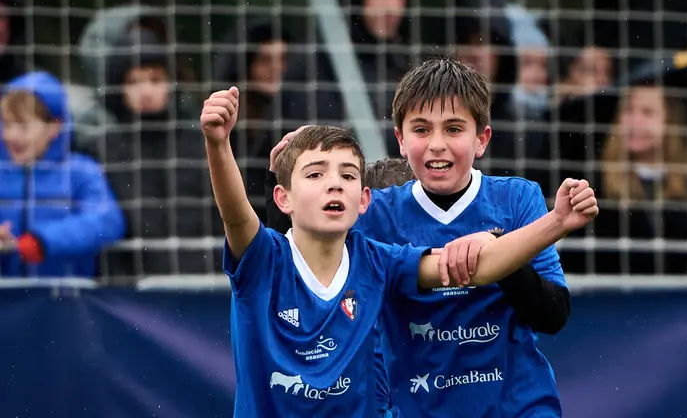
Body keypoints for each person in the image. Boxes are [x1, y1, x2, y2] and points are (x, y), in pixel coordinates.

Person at [199, 88, 598, 417]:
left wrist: (553, 222)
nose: (334, 185)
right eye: (316, 174)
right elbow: (238, 218)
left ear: (364, 199)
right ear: (401, 140)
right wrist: (219, 145)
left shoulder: (378, 261)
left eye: (347, 175)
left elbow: (489, 276)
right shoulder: (269, 261)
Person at [0, 71, 125, 277]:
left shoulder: (80, 171)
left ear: (54, 127)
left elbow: (107, 221)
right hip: (6, 299)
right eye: (6, 124)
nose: (11, 135)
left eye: (23, 126)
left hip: (67, 298)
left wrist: (44, 240)